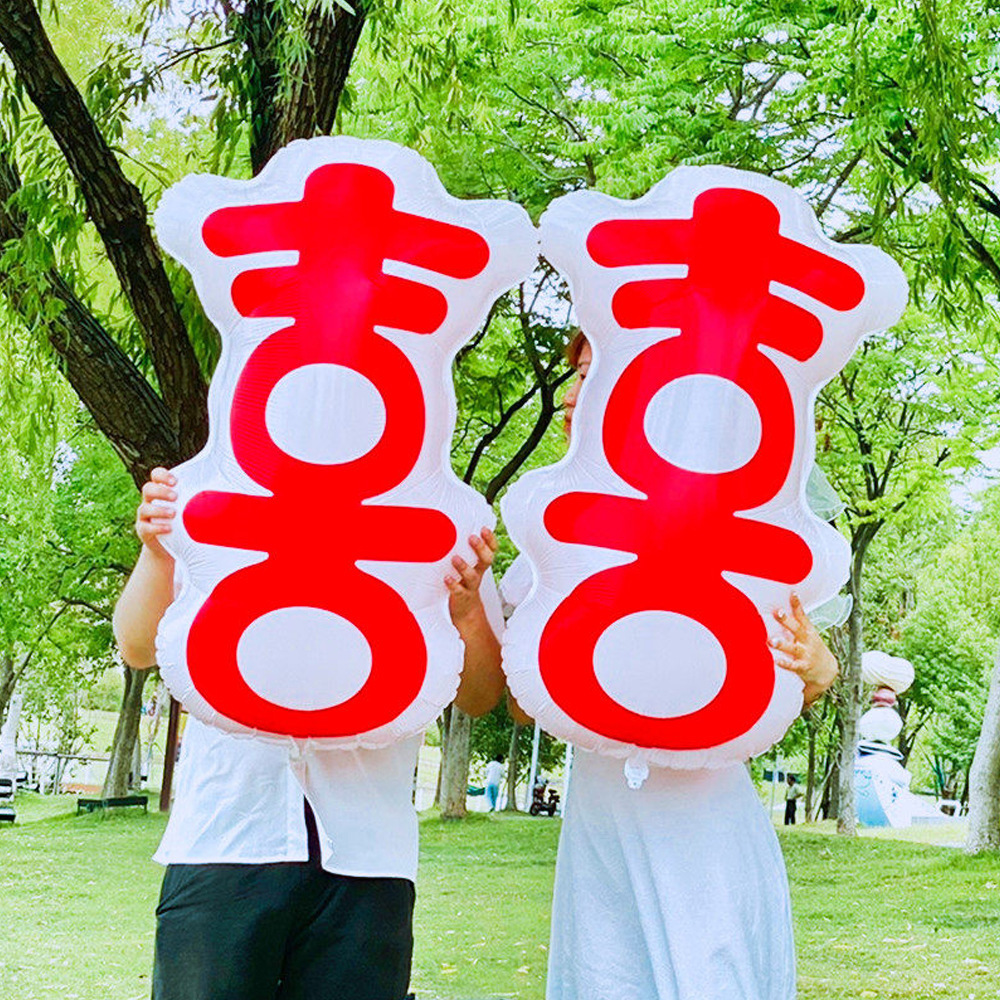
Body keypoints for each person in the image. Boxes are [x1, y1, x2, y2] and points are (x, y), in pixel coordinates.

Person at [501, 331, 839, 1000]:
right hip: (604, 831)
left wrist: (817, 672)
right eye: (575, 377)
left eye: (595, 375)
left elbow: (767, 696)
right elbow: (522, 706)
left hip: (708, 834)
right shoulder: (558, 538)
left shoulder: (742, 531)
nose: (572, 396)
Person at [113, 467, 506, 1000]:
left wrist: (466, 613)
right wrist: (158, 551)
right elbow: (138, 647)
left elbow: (481, 696)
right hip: (228, 837)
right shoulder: (215, 495)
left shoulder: (440, 517)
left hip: (367, 854)